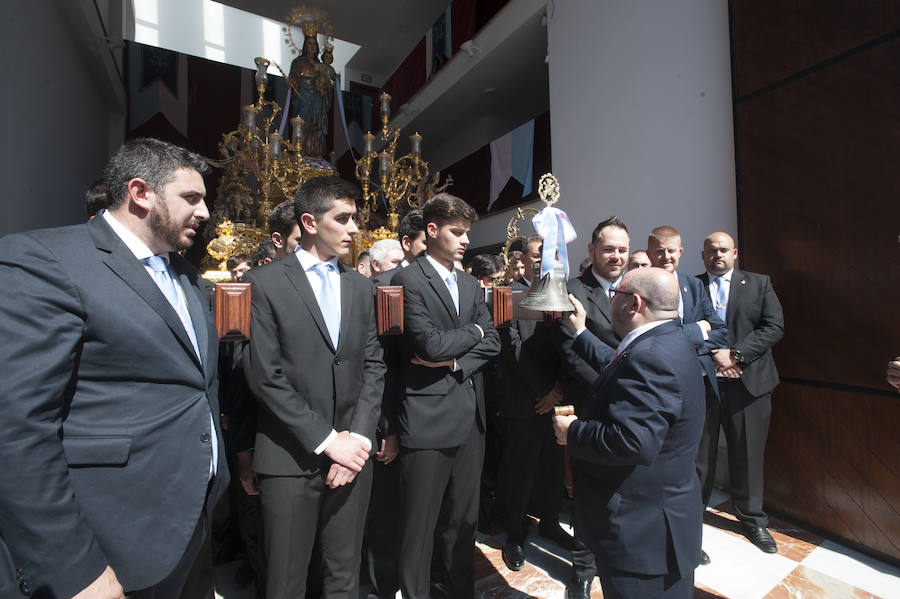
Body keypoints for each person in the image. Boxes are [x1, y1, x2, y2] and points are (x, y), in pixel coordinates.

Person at [0, 137, 228, 598]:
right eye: (191, 198)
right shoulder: (48, 261)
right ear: (140, 193)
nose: (205, 212)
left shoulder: (186, 275)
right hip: (110, 549)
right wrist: (74, 569)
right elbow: (18, 427)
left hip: (190, 531)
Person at [242, 176, 385, 599]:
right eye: (342, 219)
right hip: (290, 455)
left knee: (343, 575)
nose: (354, 229)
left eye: (355, 218)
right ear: (309, 221)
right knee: (286, 581)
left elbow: (373, 365)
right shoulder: (263, 283)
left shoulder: (360, 287)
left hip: (354, 457)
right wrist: (327, 441)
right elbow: (265, 376)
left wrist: (357, 439)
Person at [552, 267, 705, 599]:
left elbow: (632, 441)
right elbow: (619, 364)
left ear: (634, 303)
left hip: (641, 537)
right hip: (661, 520)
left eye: (615, 295)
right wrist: (580, 334)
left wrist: (574, 432)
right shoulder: (668, 340)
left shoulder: (651, 357)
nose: (610, 302)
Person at [390, 194, 500, 599]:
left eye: (467, 233)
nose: (465, 240)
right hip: (426, 417)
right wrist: (472, 333)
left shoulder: (471, 283)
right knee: (420, 524)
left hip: (470, 416)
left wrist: (457, 363)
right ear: (432, 231)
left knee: (462, 522)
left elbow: (493, 343)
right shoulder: (409, 280)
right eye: (457, 232)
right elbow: (428, 345)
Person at [554, 216, 630, 598]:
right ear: (592, 251)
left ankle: (617, 557)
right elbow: (571, 354)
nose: (616, 256)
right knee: (586, 495)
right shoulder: (572, 292)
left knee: (624, 491)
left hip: (632, 410)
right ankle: (582, 570)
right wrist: (621, 384)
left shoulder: (635, 288)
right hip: (591, 405)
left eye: (622, 249)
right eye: (608, 248)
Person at [697, 232, 784, 554]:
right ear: (702, 254)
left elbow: (773, 326)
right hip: (705, 384)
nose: (717, 255)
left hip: (750, 384)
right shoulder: (691, 286)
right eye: (711, 251)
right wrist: (714, 358)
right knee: (699, 459)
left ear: (734, 253)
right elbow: (682, 328)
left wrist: (736, 355)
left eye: (723, 250)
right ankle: (693, 519)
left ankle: (752, 520)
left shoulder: (759, 284)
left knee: (747, 456)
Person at [647, 225, 727, 565]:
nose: (666, 256)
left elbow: (720, 330)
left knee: (697, 469)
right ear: (650, 252)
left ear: (682, 252)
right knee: (655, 468)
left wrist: (687, 336)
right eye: (660, 250)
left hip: (698, 389)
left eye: (673, 250)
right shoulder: (639, 286)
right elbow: (647, 337)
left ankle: (690, 538)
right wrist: (695, 332)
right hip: (655, 393)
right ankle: (654, 538)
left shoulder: (695, 286)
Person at [497, 236, 575, 573]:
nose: (544, 260)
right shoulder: (509, 295)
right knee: (521, 469)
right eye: (538, 255)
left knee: (553, 467)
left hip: (558, 399)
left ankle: (550, 522)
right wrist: (545, 390)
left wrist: (558, 390)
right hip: (525, 398)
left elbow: (571, 345)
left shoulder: (565, 293)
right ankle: (514, 532)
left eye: (551, 255)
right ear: (523, 260)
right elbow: (511, 347)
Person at [288, 35, 330, 158]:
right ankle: (300, 151)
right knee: (302, 124)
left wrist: (323, 88)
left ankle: (316, 151)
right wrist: (293, 81)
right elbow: (293, 78)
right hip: (303, 98)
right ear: (305, 46)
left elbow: (328, 85)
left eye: (314, 44)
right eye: (309, 44)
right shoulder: (298, 62)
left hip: (318, 100)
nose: (312, 46)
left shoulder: (321, 66)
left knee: (316, 126)